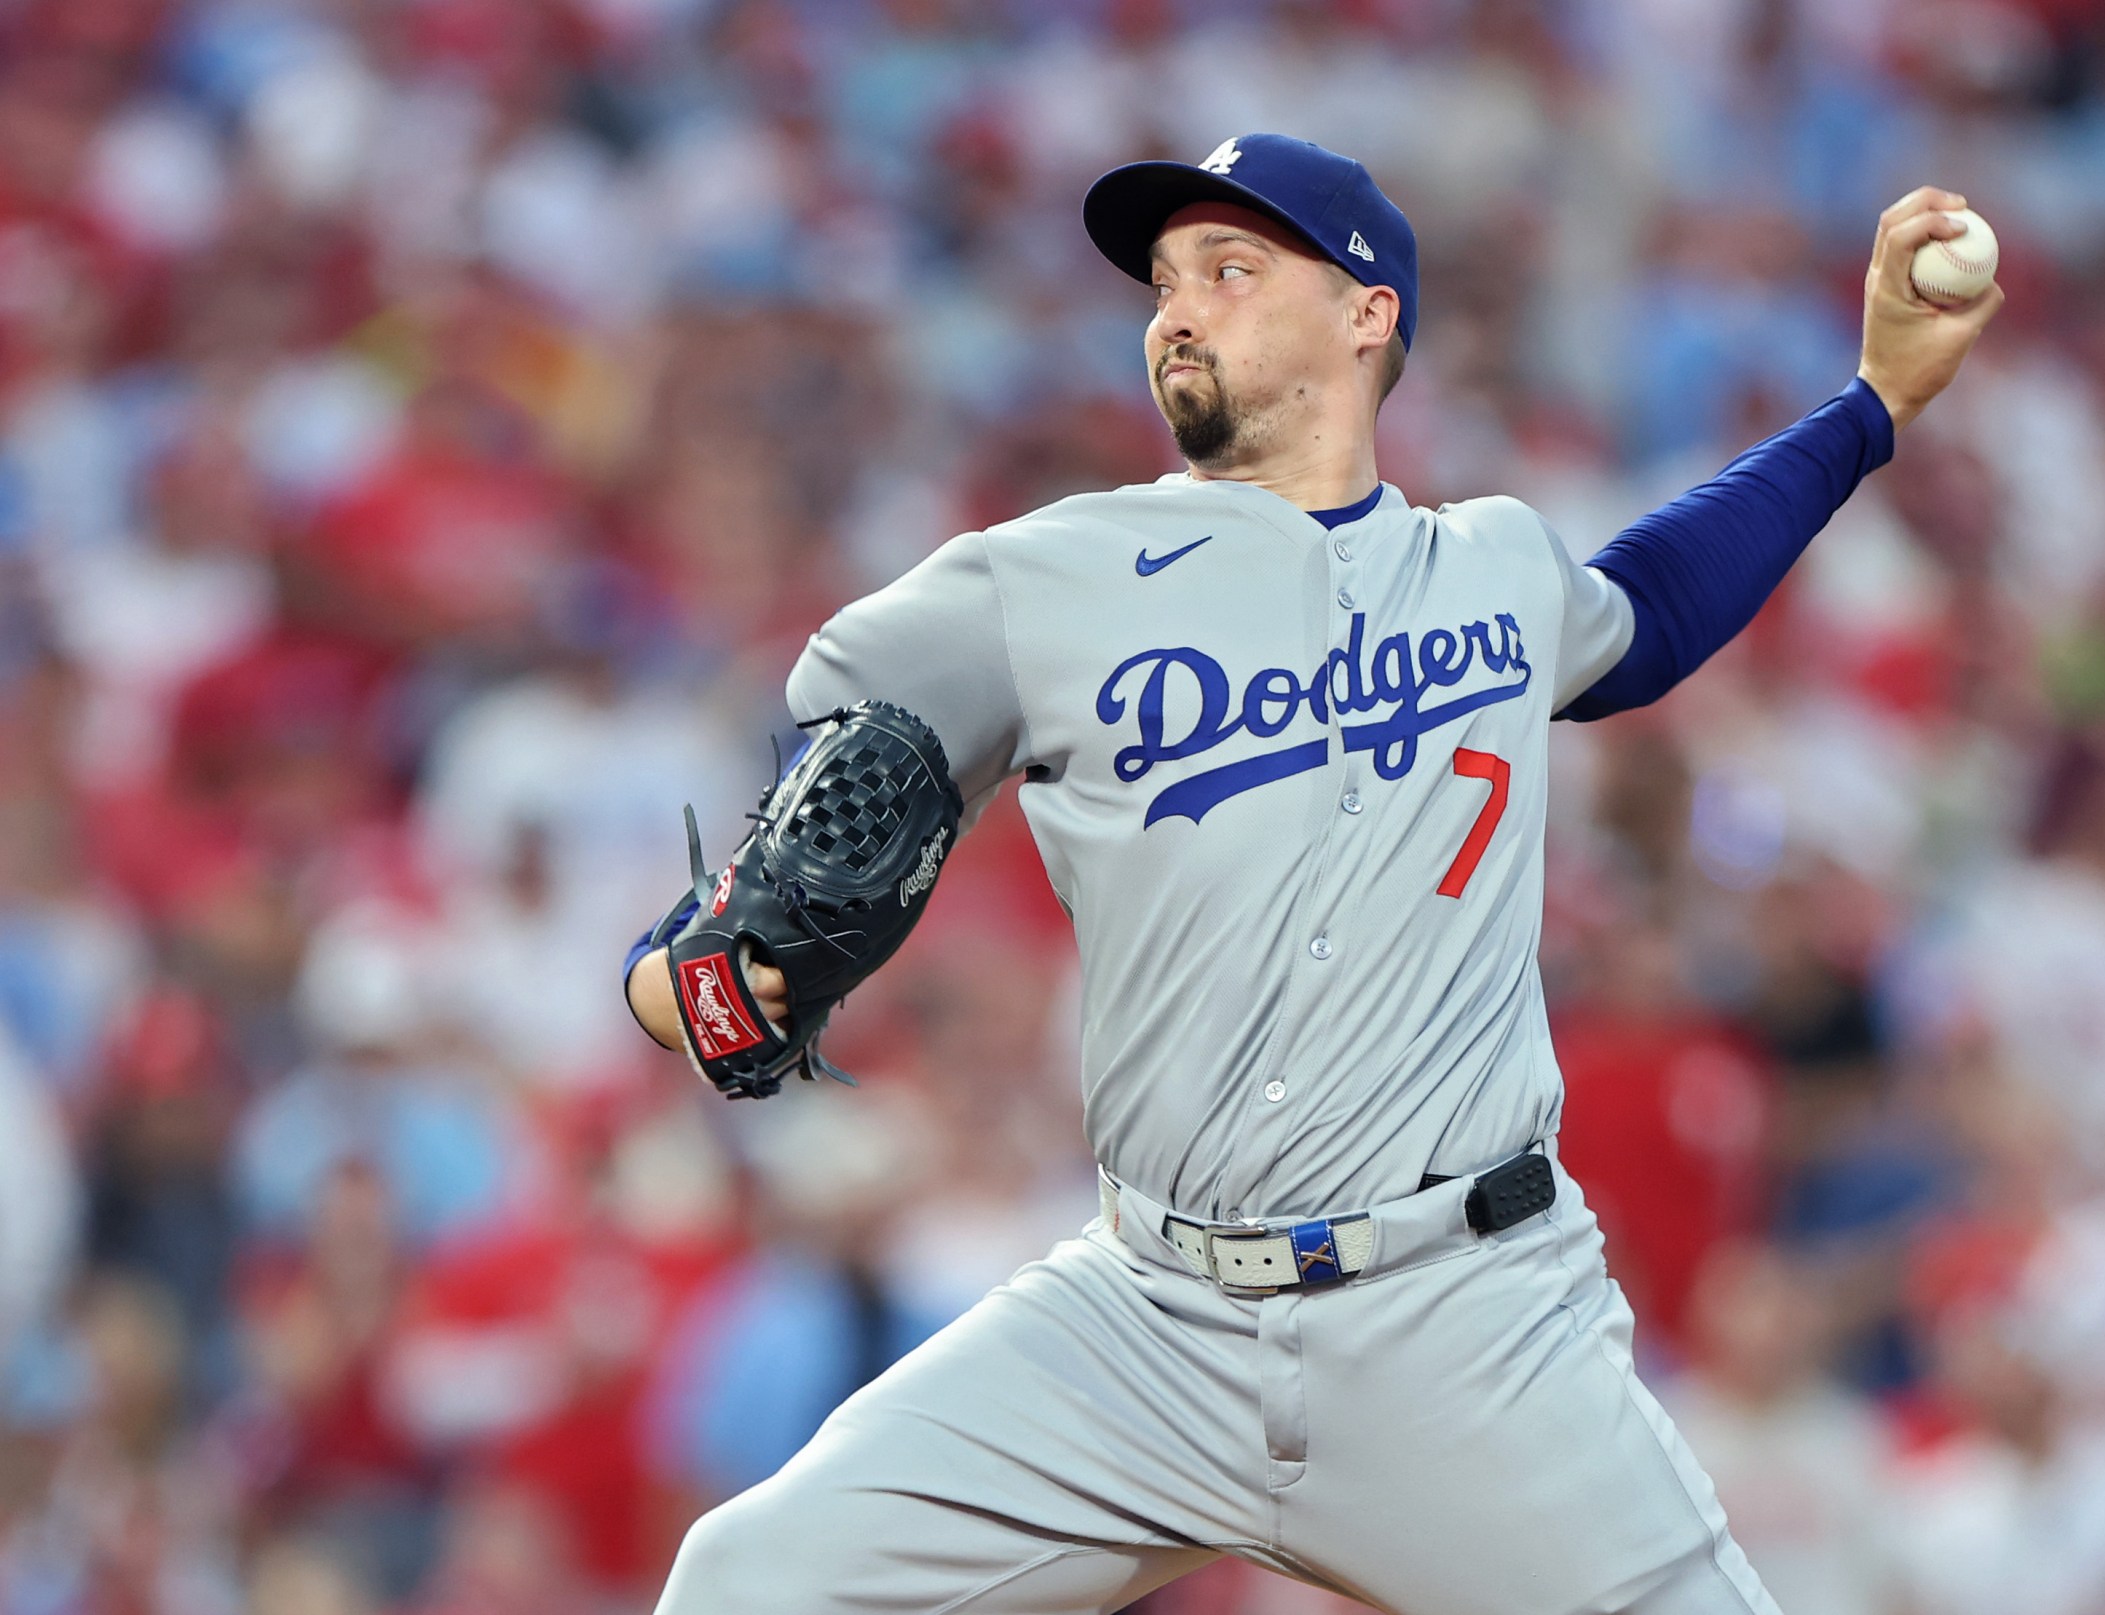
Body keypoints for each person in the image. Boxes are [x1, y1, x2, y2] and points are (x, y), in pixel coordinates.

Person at [622, 133, 1998, 1615]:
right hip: (1147, 1320)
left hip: (1465, 1318)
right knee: (751, 1581)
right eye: (1162, 282)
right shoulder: (1037, 581)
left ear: (1367, 313)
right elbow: (756, 891)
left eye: (1230, 269)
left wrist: (1871, 410)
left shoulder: (1490, 566)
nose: (1176, 309)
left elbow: (1650, 611)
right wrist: (706, 986)